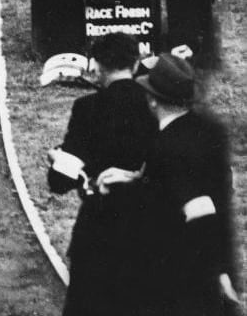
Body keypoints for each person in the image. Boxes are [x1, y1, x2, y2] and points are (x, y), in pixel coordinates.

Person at [46, 32, 159, 316]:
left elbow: (60, 182)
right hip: (148, 232)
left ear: (96, 66)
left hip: (97, 233)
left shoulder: (86, 109)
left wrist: (58, 160)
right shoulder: (157, 105)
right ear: (135, 65)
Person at [129, 52, 242, 316]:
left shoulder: (166, 145)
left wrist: (217, 274)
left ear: (153, 100)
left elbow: (198, 205)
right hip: (211, 260)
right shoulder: (206, 131)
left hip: (180, 274)